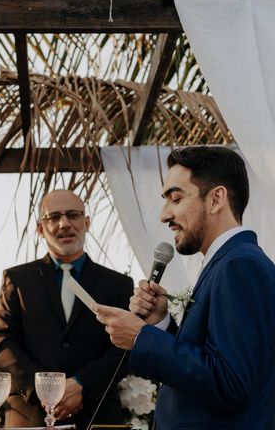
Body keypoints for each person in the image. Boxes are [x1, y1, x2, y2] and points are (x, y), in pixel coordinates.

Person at [95, 146, 275, 428]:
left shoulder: (240, 266)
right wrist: (161, 323)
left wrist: (142, 338)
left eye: (176, 199)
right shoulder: (225, 262)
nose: (164, 215)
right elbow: (209, 362)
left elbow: (232, 384)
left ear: (216, 198)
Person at [0, 189, 134, 430]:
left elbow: (126, 348)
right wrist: (47, 391)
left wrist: (81, 384)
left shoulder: (118, 284)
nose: (64, 223)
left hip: (97, 415)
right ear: (39, 229)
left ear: (86, 222)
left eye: (72, 215)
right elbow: (2, 344)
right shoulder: (17, 279)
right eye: (53, 217)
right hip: (29, 417)